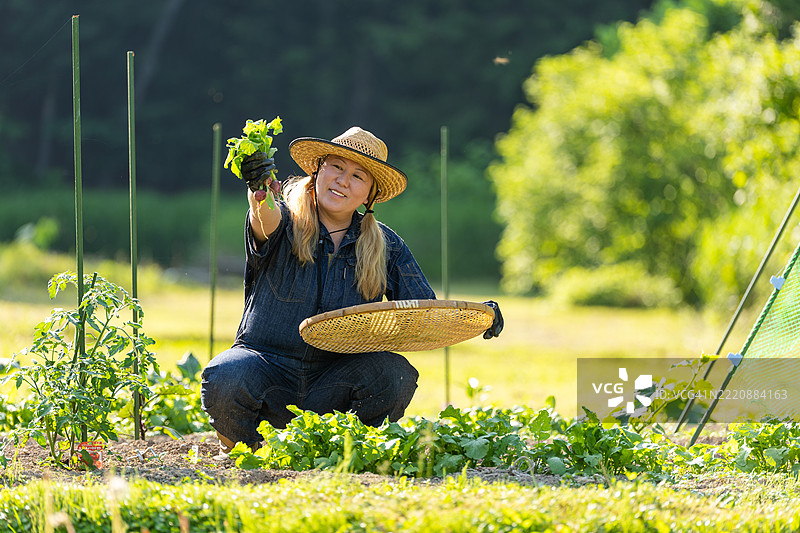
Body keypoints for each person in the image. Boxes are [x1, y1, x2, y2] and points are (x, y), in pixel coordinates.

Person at [201, 126, 503, 454]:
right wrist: (258, 191)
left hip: (334, 381)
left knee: (394, 374)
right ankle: (243, 449)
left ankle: (343, 449)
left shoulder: (386, 245)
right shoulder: (284, 220)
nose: (344, 180)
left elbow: (423, 313)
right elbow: (264, 216)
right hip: (265, 368)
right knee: (226, 374)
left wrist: (479, 316)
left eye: (359, 176)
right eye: (337, 167)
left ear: (370, 195)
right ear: (318, 170)